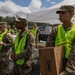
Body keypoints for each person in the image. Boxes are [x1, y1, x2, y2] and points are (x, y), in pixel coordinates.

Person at [46, 5, 75, 75]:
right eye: (59, 13)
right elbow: (48, 48)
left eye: (63, 13)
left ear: (71, 14)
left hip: (71, 69)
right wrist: (46, 67)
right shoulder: (56, 29)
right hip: (56, 65)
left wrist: (67, 72)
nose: (59, 15)